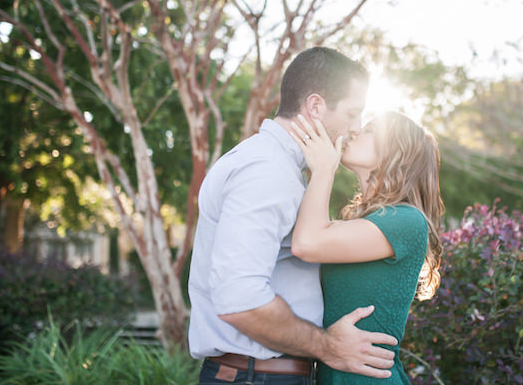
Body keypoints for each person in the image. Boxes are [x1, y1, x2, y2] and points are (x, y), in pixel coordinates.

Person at [187, 47, 398, 385]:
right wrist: (327, 346)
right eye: (352, 113)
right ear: (315, 106)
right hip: (255, 378)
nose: (355, 128)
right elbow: (241, 300)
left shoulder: (280, 167)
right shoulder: (266, 170)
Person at [288, 110, 445, 384]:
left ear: (398, 152)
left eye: (371, 130)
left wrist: (324, 169)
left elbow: (306, 243)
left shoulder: (406, 220)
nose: (356, 132)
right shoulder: (363, 222)